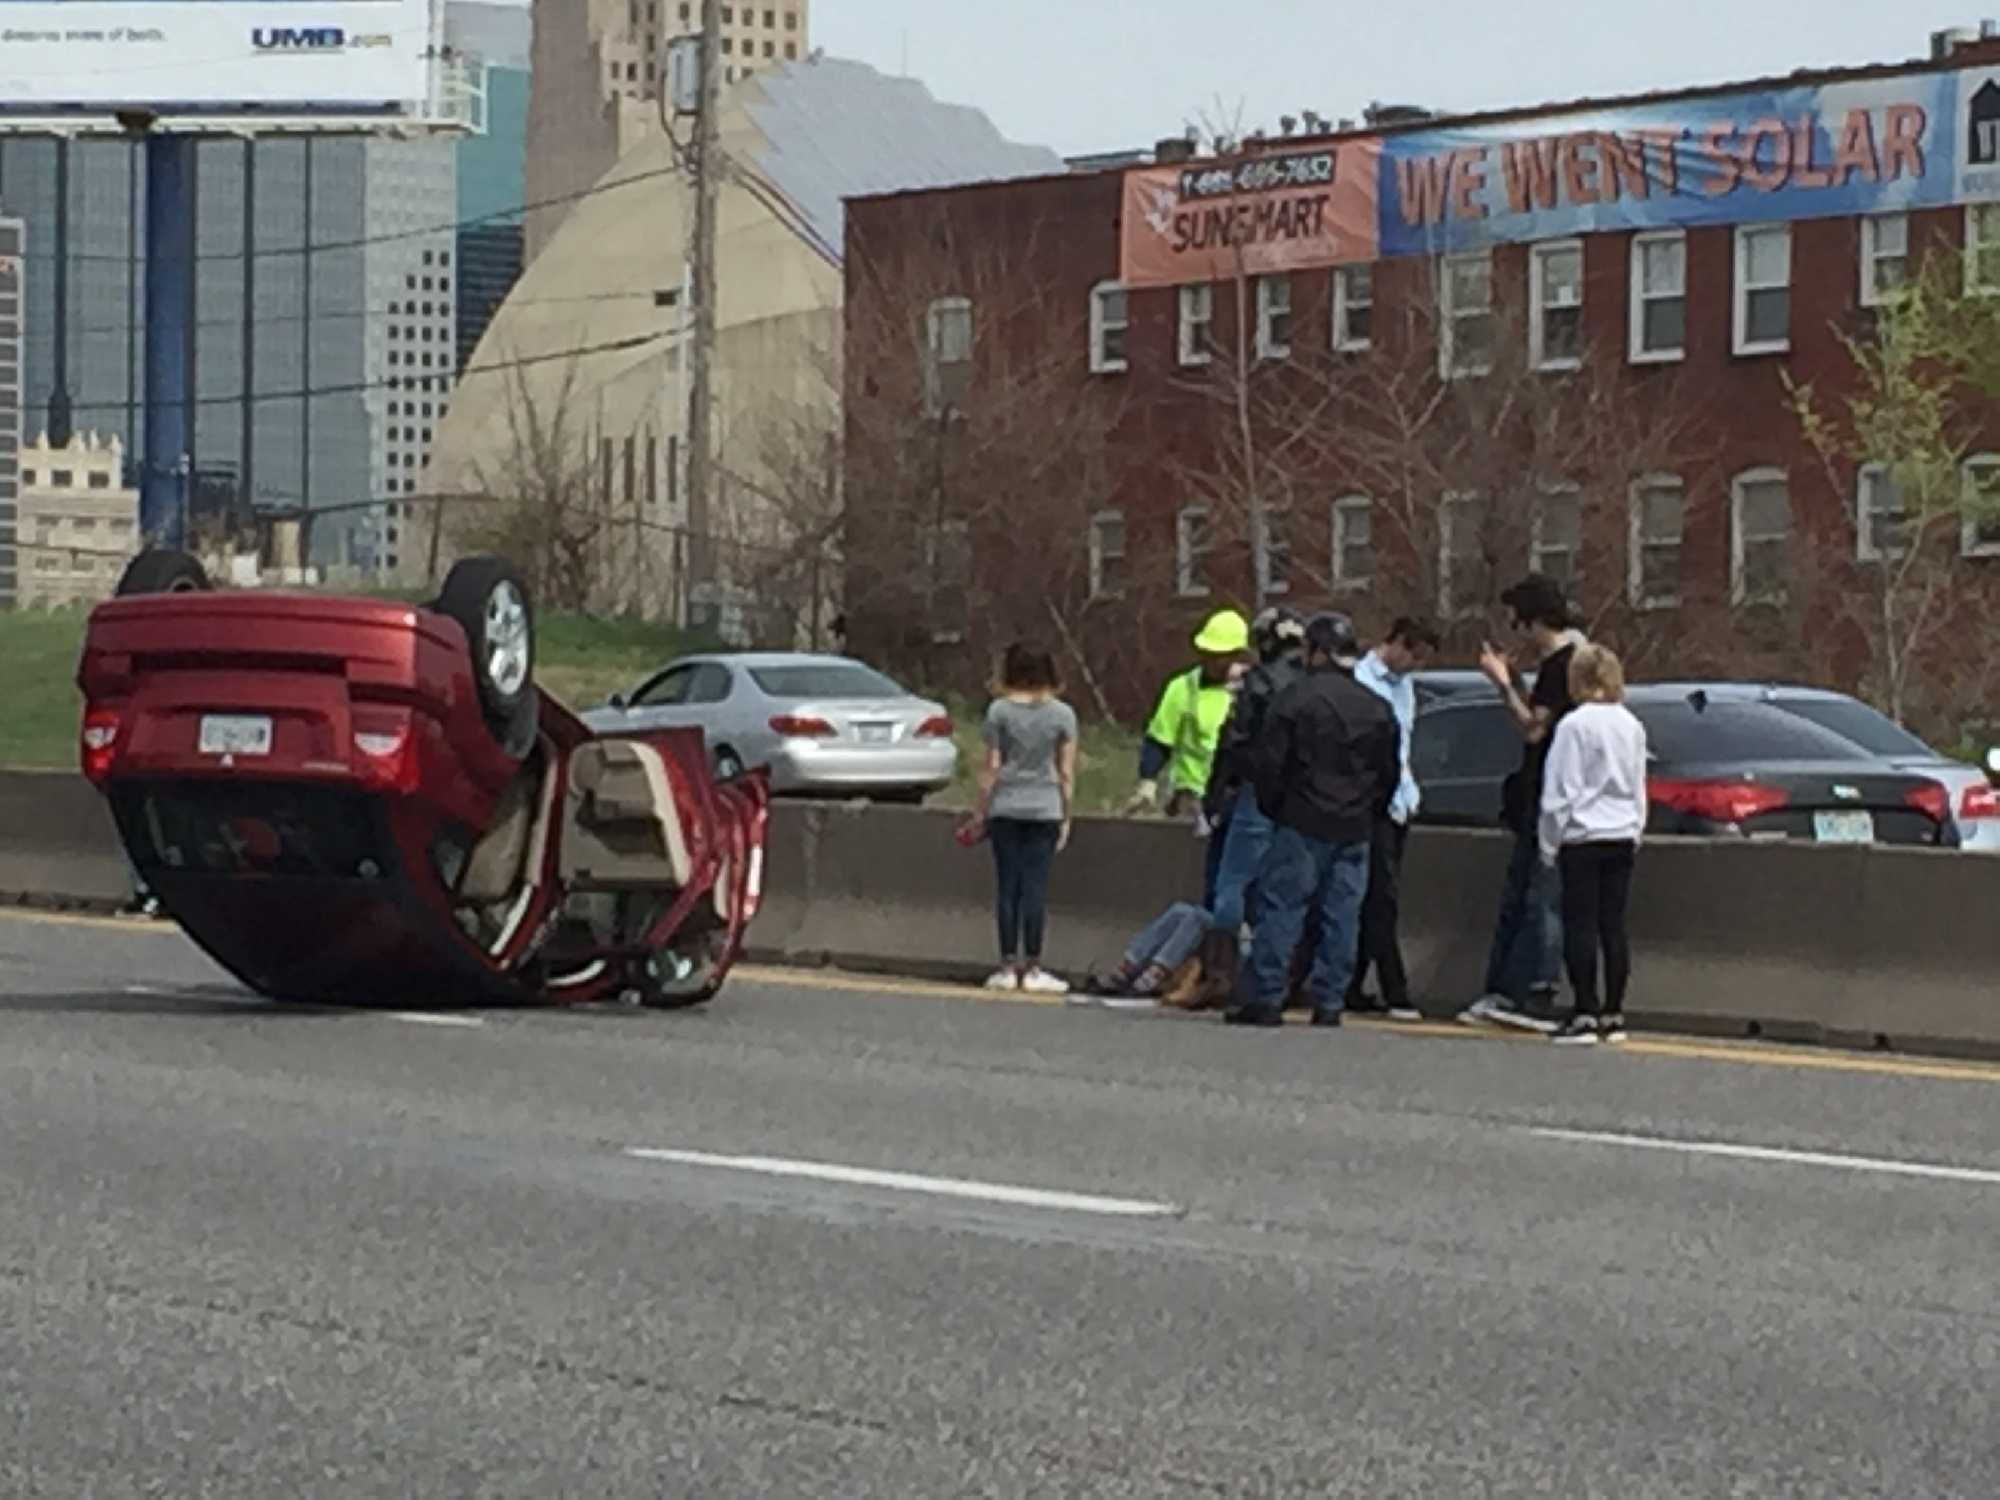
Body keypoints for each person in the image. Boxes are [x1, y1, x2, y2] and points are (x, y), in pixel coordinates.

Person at [1225, 613, 1399, 1029]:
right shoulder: (1376, 708)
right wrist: (1367, 811)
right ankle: (1330, 1002)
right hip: (1354, 825)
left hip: (1301, 820)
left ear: (1316, 652)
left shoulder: (1294, 700)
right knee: (1342, 915)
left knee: (1283, 908)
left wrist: (1277, 807)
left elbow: (1270, 765)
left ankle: (1268, 997)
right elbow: (1388, 774)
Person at [1459, 575, 1588, 1034]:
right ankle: (1507, 987)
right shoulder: (1579, 660)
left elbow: (1534, 728)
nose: (1517, 634)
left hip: (1552, 797)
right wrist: (1513, 677)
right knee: (1524, 893)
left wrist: (1500, 685)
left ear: (1533, 621)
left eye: (1517, 623)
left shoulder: (1562, 665)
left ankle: (1536, 987)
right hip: (1546, 795)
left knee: (1541, 896)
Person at [1540, 645, 1648, 1047]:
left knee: (1580, 924)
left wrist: (1549, 842)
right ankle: (1614, 1012)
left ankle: (1585, 1008)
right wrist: (1636, 828)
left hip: (1583, 835)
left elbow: (1561, 791)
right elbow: (1638, 785)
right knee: (1613, 925)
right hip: (1621, 833)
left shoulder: (1574, 726)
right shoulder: (1631, 725)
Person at [1200, 606, 1306, 994]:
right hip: (1303, 800)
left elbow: (1234, 743)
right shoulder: (1314, 683)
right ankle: (1278, 975)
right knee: (1282, 893)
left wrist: (1216, 794)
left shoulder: (1257, 683)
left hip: (1256, 795)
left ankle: (1223, 974)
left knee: (1231, 885)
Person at [1345, 617, 1440, 1022]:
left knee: (1378, 897)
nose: (1415, 666)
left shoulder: (1406, 688)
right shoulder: (1360, 679)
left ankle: (1352, 983)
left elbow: (1403, 745)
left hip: (1399, 801)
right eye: (1414, 656)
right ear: (1398, 642)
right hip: (1369, 802)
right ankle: (1394, 988)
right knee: (1380, 897)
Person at [970, 642, 1078, 995]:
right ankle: (1033, 967)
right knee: (1035, 889)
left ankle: (1005, 966)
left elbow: (992, 767)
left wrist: (980, 810)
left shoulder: (998, 712)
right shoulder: (1063, 715)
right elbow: (1065, 771)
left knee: (1007, 888)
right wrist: (1065, 814)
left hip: (1006, 807)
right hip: (1044, 807)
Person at [1125, 609, 1250, 821]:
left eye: (1219, 656)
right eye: (1208, 654)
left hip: (1233, 797)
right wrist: (1148, 780)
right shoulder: (1182, 688)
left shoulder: (1251, 692)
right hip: (1190, 797)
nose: (1212, 661)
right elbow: (1159, 740)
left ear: (1237, 655)